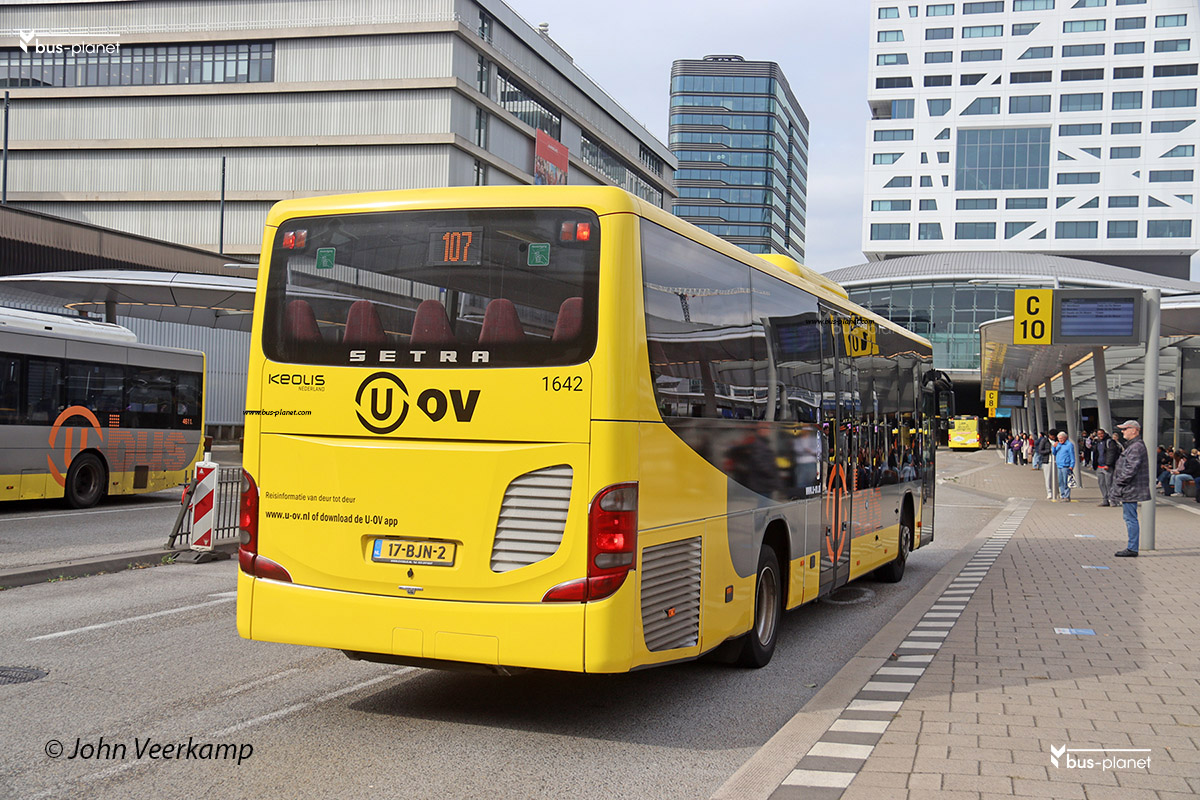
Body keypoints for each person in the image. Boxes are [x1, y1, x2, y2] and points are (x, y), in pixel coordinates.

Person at [1112, 420, 1151, 557]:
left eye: (1125, 429)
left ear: (1134, 430)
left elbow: (1131, 468)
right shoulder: (1134, 445)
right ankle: (1132, 547)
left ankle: (1132, 548)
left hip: (1130, 488)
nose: (1122, 431)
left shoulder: (1135, 447)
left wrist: (1119, 481)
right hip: (1130, 487)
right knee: (1129, 517)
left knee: (1130, 518)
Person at [1091, 428, 1119, 506]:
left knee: (1109, 484)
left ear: (1104, 434)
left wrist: (1108, 464)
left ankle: (1113, 501)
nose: (1100, 435)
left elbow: (1111, 453)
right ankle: (1105, 500)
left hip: (1107, 467)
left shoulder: (1109, 442)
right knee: (1101, 484)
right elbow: (1095, 454)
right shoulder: (1097, 442)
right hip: (1099, 466)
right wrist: (1095, 464)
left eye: (1101, 434)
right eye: (1099, 434)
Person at [1052, 431, 1076, 501]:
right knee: (1060, 482)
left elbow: (1072, 456)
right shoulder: (1058, 444)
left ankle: (1067, 496)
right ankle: (1062, 495)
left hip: (1066, 466)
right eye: (1059, 438)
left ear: (1065, 438)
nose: (1060, 440)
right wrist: (1054, 447)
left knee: (1066, 482)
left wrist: (1072, 465)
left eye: (1061, 438)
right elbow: (1054, 453)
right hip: (1059, 465)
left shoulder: (1069, 445)